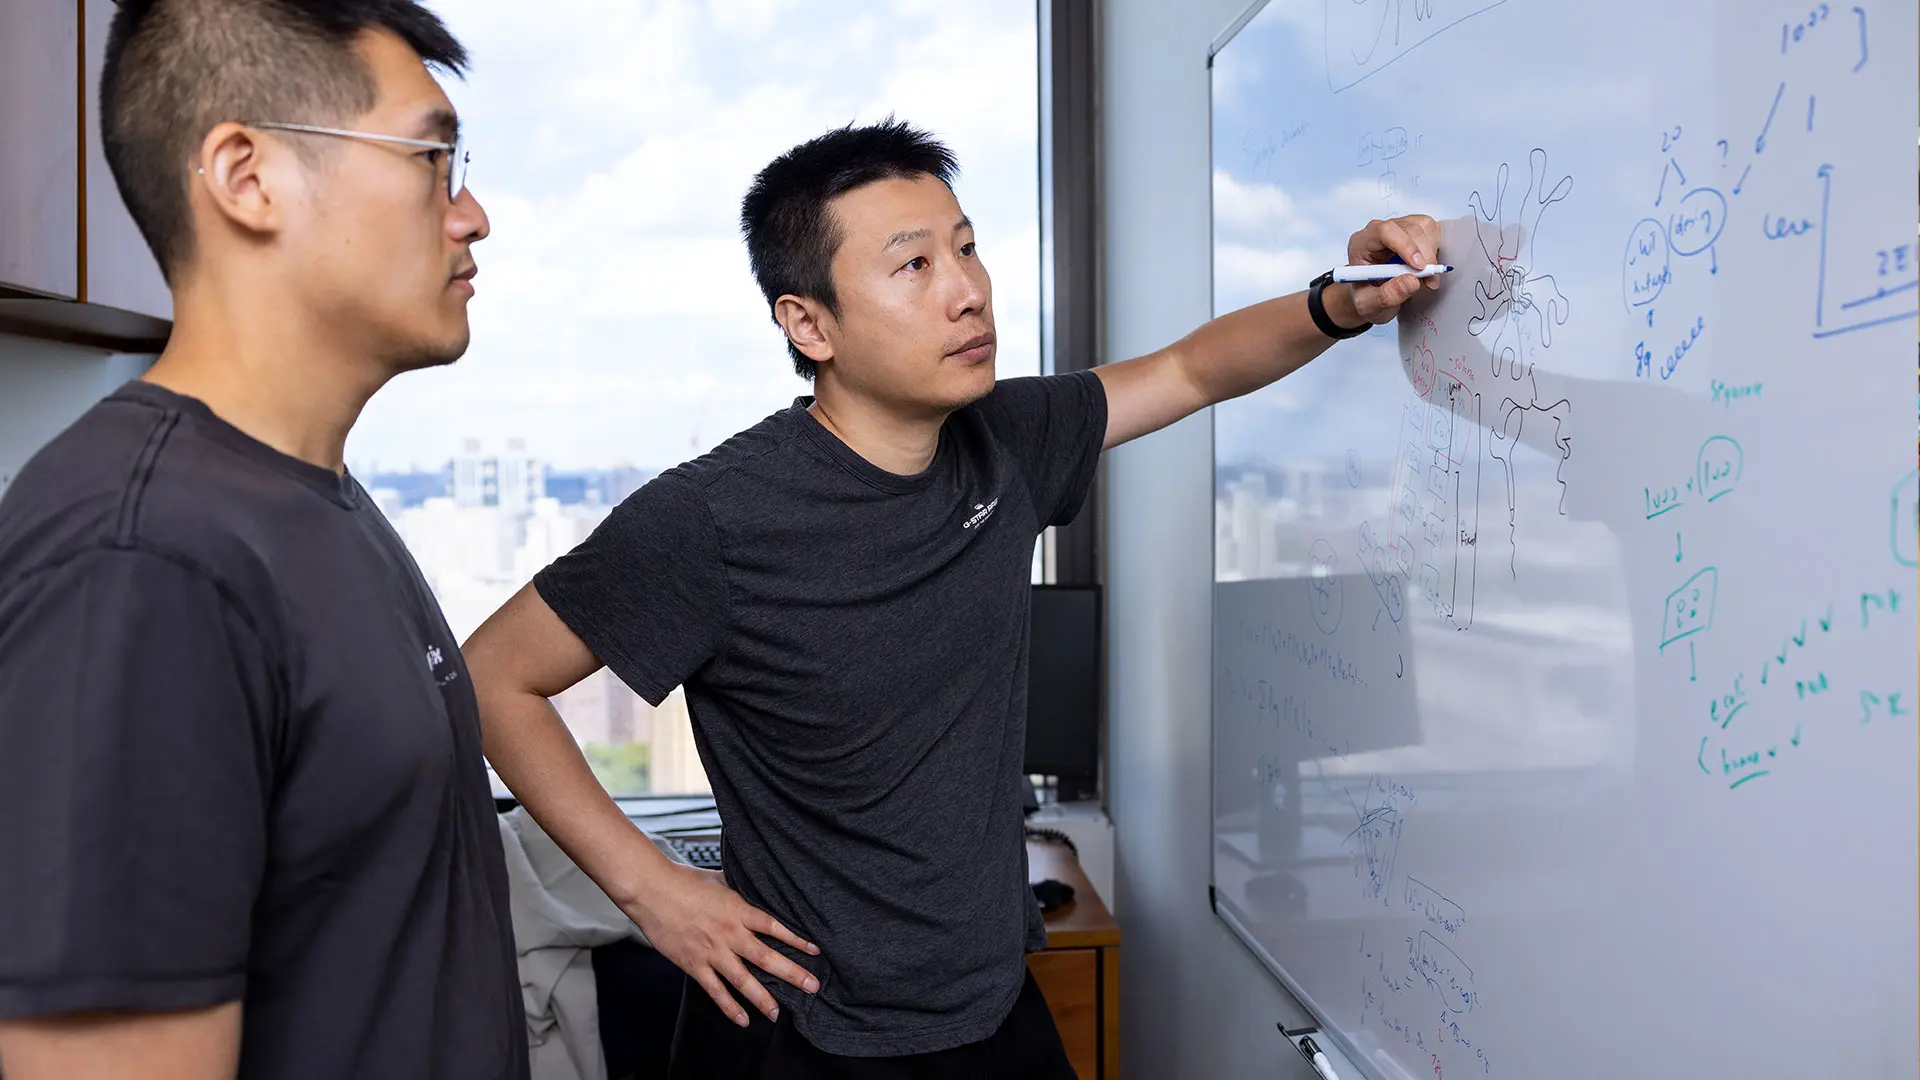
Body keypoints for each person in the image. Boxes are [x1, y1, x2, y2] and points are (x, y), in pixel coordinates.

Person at [462, 120, 1438, 1077]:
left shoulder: (1005, 441)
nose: (967, 292)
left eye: (966, 249)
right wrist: (653, 890)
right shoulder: (716, 518)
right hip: (804, 1032)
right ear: (809, 323)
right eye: (914, 267)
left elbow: (1189, 369)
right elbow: (493, 677)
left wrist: (1337, 304)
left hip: (988, 1001)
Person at [0, 2, 523, 1078]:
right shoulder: (141, 558)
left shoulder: (315, 497)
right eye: (433, 158)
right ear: (248, 178)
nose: (471, 214)